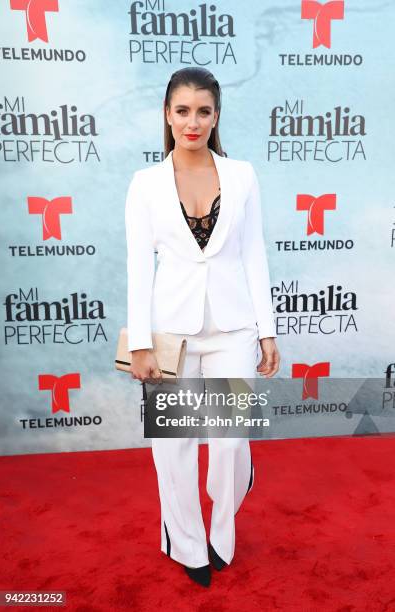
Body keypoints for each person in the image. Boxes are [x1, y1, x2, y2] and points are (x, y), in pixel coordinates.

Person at [125, 67, 280, 588]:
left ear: (217, 116)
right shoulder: (145, 183)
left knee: (231, 442)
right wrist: (141, 343)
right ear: (168, 115)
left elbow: (253, 253)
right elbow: (137, 266)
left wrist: (267, 329)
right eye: (183, 111)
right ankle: (186, 542)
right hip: (171, 333)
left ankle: (223, 528)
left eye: (204, 111)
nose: (193, 122)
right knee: (175, 446)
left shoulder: (242, 176)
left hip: (233, 327)